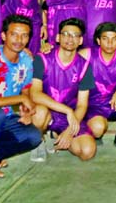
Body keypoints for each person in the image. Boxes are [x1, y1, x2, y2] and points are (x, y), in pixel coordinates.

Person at [0, 14, 41, 176]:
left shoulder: (26, 61)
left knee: (33, 136)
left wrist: (26, 111)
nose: (19, 40)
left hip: (6, 116)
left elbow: (26, 92)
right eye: (14, 34)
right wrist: (20, 98)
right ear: (3, 36)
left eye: (24, 35)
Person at [30, 18, 97, 161]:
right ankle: (38, 141)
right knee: (39, 112)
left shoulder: (84, 66)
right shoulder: (42, 59)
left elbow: (82, 105)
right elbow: (35, 94)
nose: (69, 38)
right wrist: (67, 110)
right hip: (48, 111)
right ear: (58, 37)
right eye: (66, 34)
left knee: (87, 152)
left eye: (75, 35)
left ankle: (54, 134)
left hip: (69, 118)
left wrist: (69, 131)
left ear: (80, 41)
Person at [80, 22, 116, 147]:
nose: (110, 43)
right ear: (98, 40)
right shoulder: (86, 54)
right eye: (105, 39)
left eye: (114, 39)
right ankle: (91, 130)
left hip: (115, 102)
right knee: (98, 128)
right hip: (92, 105)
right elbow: (65, 58)